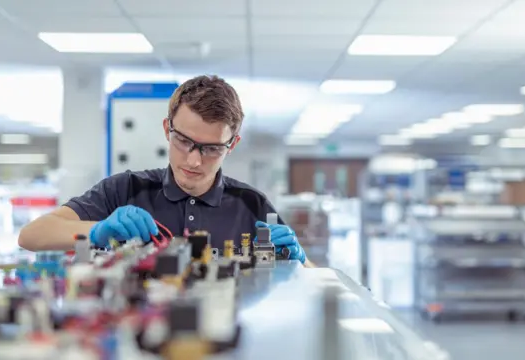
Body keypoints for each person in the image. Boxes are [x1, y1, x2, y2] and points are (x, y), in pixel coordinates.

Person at [18, 75, 309, 266]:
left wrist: (300, 261)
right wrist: (96, 231)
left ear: (231, 146)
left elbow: (311, 276)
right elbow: (31, 235)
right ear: (166, 130)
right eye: (183, 141)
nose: (194, 161)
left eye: (211, 149)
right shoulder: (124, 190)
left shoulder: (251, 204)